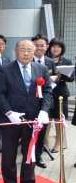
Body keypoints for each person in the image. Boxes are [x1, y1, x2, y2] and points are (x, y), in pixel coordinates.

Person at [0, 40, 51, 183]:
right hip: (11, 119)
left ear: (34, 52)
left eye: (29, 50)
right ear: (16, 51)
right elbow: (0, 94)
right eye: (23, 50)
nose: (26, 53)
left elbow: (47, 92)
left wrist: (44, 111)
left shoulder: (41, 69)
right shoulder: (5, 69)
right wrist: (9, 113)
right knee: (9, 153)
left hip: (33, 119)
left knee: (30, 152)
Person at [31, 33, 58, 168]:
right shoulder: (27, 59)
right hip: (30, 101)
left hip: (45, 102)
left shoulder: (50, 61)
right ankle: (28, 155)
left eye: (42, 45)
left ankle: (38, 155)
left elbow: (55, 76)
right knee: (28, 131)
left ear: (47, 46)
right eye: (36, 45)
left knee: (42, 131)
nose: (39, 48)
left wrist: (54, 79)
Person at [47, 37, 73, 152]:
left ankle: (58, 143)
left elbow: (72, 78)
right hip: (47, 93)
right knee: (46, 119)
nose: (56, 49)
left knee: (58, 119)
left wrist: (61, 75)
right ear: (50, 47)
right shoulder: (46, 60)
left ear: (62, 49)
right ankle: (45, 141)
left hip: (61, 94)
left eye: (58, 47)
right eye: (53, 46)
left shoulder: (67, 62)